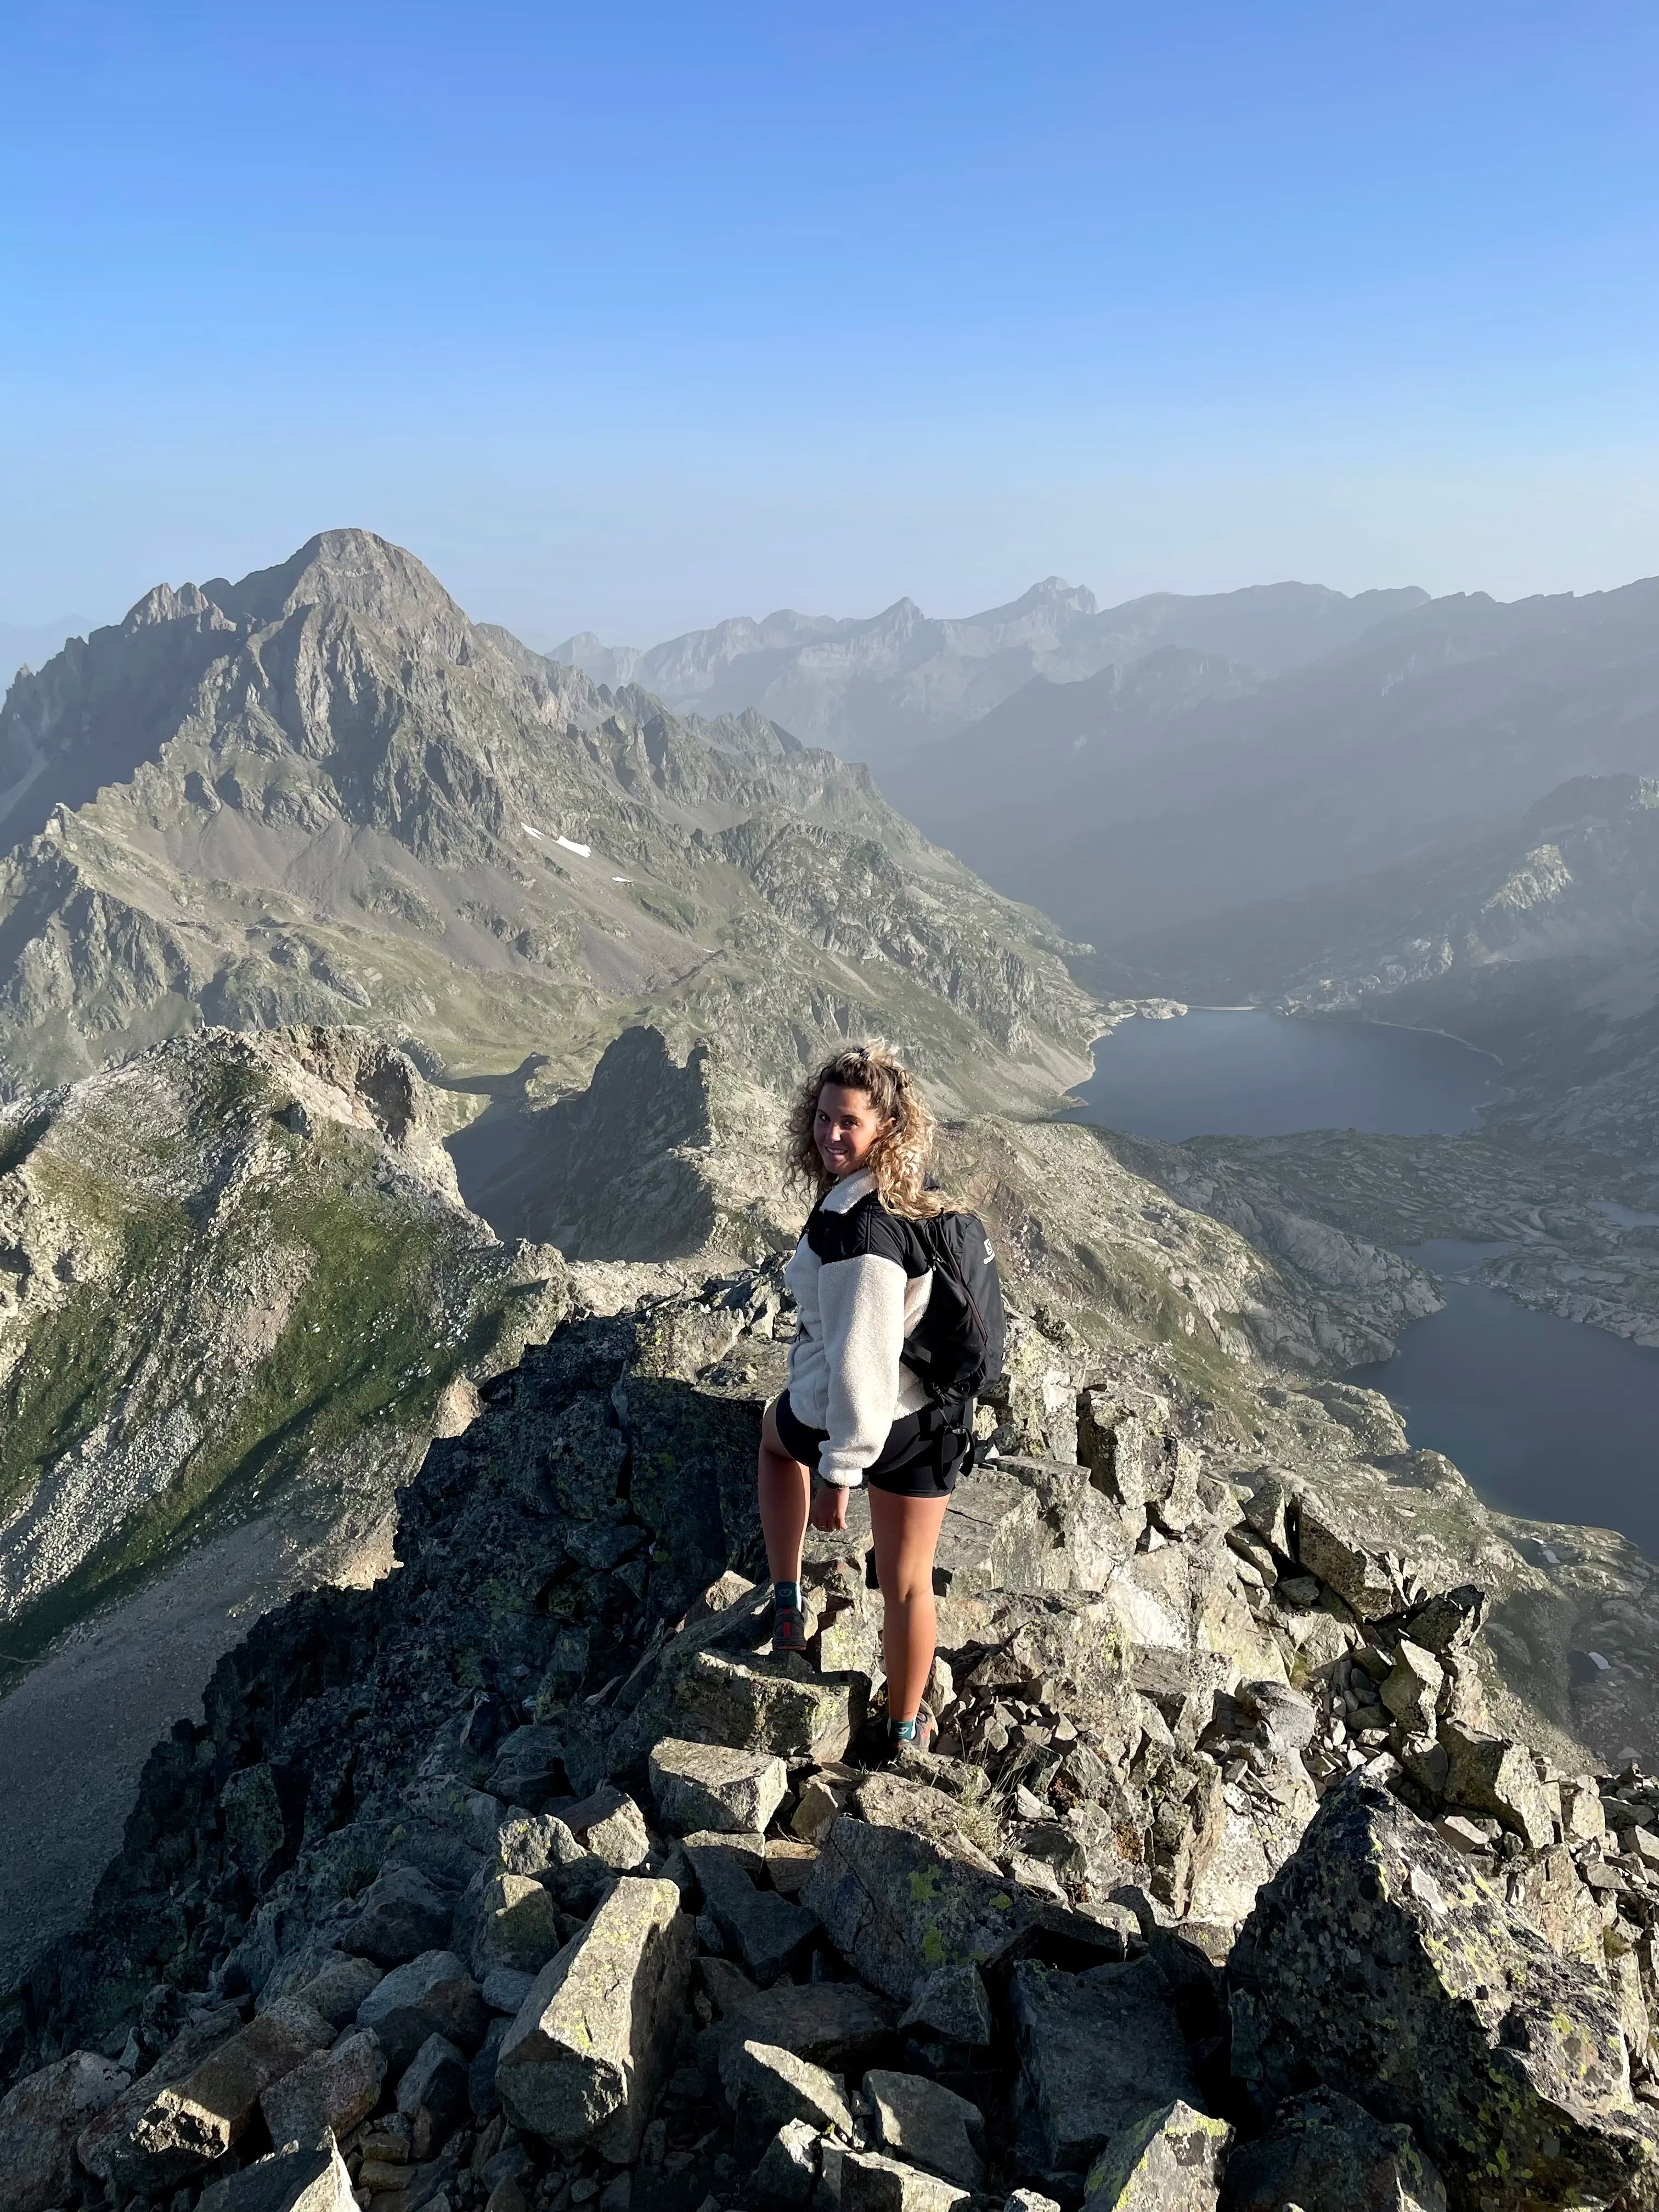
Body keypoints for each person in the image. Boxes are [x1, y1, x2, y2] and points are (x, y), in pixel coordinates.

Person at [756, 1041, 968, 1753]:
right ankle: (905, 1734)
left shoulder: (860, 1230)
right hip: (933, 1418)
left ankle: (787, 1604)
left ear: (884, 1127)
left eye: (848, 1122)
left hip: (870, 1420)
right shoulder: (915, 1196)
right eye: (822, 1117)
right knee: (910, 1586)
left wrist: (840, 1475)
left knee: (771, 1438)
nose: (829, 1134)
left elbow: (861, 1362)